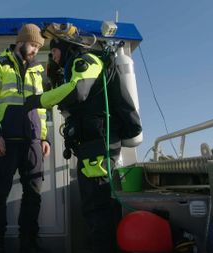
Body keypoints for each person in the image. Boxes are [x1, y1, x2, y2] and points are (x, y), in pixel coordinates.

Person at [24, 36, 143, 252]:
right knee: (94, 206)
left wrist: (37, 101)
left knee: (97, 208)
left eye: (54, 51)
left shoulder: (85, 61)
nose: (53, 56)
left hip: (99, 144)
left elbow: (77, 90)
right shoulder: (76, 66)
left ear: (65, 48)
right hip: (92, 145)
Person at [0, 23, 50, 253]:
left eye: (39, 47)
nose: (35, 51)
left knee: (34, 194)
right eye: (33, 45)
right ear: (20, 42)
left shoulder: (38, 71)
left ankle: (29, 244)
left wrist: (44, 138)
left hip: (32, 142)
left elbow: (41, 108)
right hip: (5, 142)